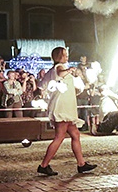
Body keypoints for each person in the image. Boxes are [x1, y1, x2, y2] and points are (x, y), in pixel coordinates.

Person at [37, 47, 97, 176]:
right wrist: (69, 70)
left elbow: (46, 84)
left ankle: (81, 163)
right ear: (59, 57)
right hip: (62, 107)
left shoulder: (58, 69)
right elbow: (60, 73)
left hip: (67, 106)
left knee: (75, 134)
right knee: (60, 136)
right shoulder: (59, 67)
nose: (67, 57)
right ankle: (44, 165)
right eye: (64, 55)